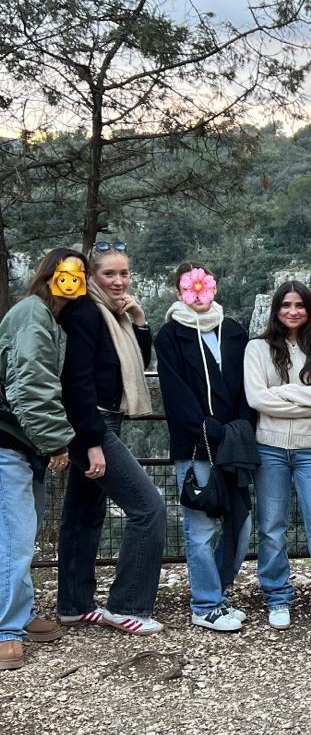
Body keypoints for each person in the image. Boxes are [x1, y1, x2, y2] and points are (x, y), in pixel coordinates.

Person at [56, 242, 166, 635]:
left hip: (101, 422)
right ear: (91, 277)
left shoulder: (113, 314)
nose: (119, 281)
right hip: (93, 424)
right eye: (109, 274)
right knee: (149, 508)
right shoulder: (86, 312)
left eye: (124, 273)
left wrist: (139, 320)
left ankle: (74, 605)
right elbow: (76, 382)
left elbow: (137, 361)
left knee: (83, 514)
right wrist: (91, 441)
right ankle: (127, 606)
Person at [155, 262, 255, 632]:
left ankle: (218, 593)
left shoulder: (233, 331)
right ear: (178, 292)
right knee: (200, 528)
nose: (198, 295)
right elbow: (176, 394)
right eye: (189, 288)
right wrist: (209, 429)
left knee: (241, 524)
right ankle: (206, 604)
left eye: (204, 287)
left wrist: (242, 425)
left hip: (234, 441)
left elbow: (248, 382)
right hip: (197, 445)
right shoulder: (170, 336)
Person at [244, 280, 311, 635]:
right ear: (276, 310)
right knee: (272, 529)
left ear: (309, 309)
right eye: (286, 305)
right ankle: (277, 598)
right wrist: (306, 400)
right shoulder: (257, 349)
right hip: (269, 449)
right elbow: (257, 399)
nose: (292, 311)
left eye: (299, 305)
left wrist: (284, 392)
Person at [0, 249, 80, 669]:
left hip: (22, 441)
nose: (74, 280)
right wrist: (56, 442)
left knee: (21, 534)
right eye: (69, 273)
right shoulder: (33, 314)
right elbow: (31, 382)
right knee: (13, 537)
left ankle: (21, 614)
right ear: (51, 275)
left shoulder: (45, 318)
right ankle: (6, 630)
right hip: (9, 440)